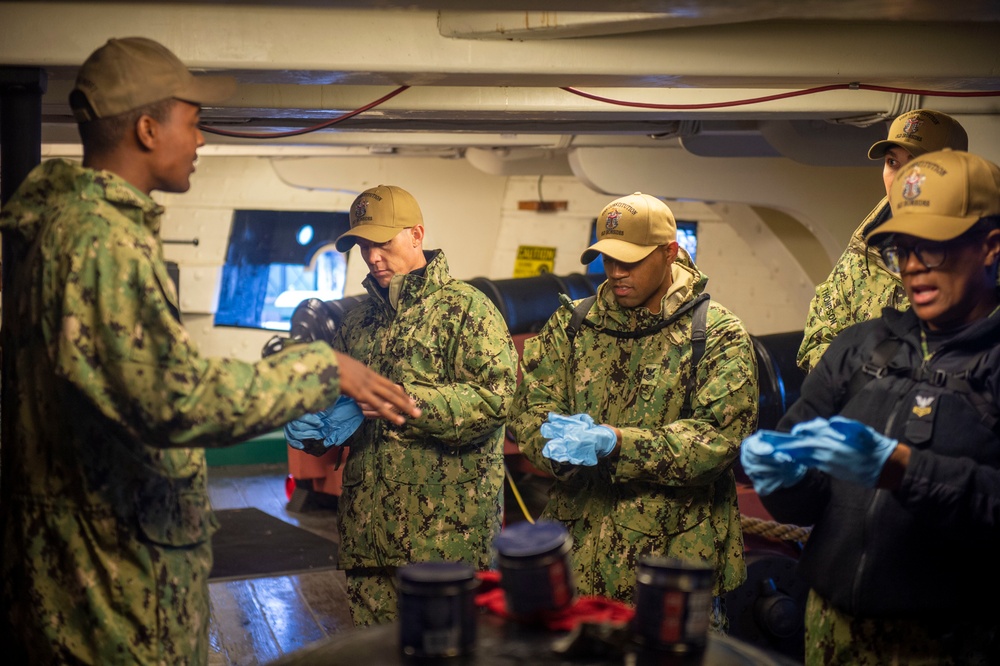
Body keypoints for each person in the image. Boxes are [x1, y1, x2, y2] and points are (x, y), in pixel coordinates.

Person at [0, 37, 419, 665]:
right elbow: (171, 399)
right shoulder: (99, 243)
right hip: (109, 579)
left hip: (105, 556)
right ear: (147, 128)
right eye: (192, 121)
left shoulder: (77, 231)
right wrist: (320, 370)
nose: (200, 140)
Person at [742, 149, 1000, 664]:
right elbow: (804, 505)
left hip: (948, 646)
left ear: (991, 247)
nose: (912, 267)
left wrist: (906, 470)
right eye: (901, 250)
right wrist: (781, 477)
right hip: (829, 634)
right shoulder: (860, 347)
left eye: (933, 248)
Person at [508, 192, 758, 617]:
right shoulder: (574, 326)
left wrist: (618, 443)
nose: (617, 273)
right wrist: (554, 446)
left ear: (669, 252)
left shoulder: (717, 334)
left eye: (632, 261)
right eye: (609, 260)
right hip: (579, 560)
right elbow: (530, 409)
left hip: (672, 567)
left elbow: (717, 442)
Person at [287, 184, 517, 626]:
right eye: (363, 246)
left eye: (384, 242)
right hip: (368, 534)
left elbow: (495, 401)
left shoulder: (468, 310)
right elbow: (342, 407)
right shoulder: (357, 322)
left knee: (445, 654)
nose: (373, 257)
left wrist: (410, 403)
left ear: (417, 234)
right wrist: (318, 427)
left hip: (446, 537)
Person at [796, 109, 969, 373]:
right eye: (892, 162)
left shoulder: (979, 258)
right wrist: (858, 387)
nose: (900, 178)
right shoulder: (864, 250)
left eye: (916, 164)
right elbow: (818, 338)